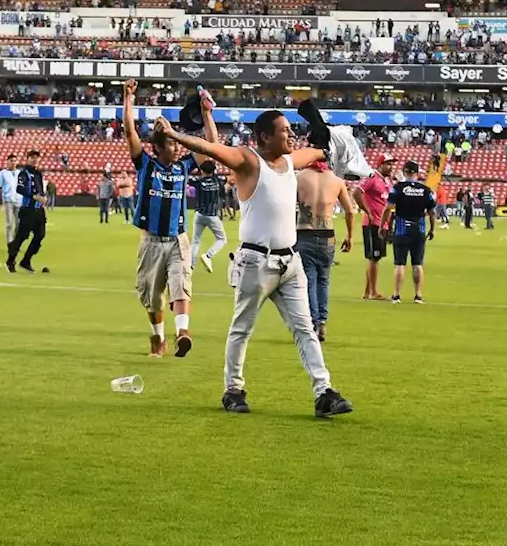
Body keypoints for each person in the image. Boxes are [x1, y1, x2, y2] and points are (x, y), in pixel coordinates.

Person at [153, 109, 352, 418]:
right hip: (255, 262)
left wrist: (326, 137)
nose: (289, 134)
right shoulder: (248, 161)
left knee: (305, 329)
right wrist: (174, 135)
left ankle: (324, 391)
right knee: (241, 329)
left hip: (290, 262)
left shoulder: (288, 161)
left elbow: (318, 149)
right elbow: (209, 148)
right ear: (264, 137)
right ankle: (233, 390)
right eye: (283, 130)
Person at [122, 80, 215, 358]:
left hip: (178, 240)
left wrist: (207, 113)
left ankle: (183, 333)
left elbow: (211, 147)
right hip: (151, 242)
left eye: (177, 145)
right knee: (151, 298)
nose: (176, 149)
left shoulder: (184, 165)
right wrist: (128, 97)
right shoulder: (146, 164)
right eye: (171, 145)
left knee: (181, 284)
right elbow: (129, 131)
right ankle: (158, 336)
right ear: (158, 148)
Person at [295, 160, 356, 342]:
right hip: (327, 234)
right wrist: (350, 236)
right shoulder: (336, 181)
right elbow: (350, 212)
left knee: (309, 281)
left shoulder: (299, 177)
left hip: (304, 232)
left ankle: (313, 322)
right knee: (324, 280)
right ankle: (322, 320)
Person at [380, 161, 435, 304]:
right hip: (419, 229)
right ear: (417, 173)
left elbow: (388, 208)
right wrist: (432, 229)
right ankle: (418, 295)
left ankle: (396, 295)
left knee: (400, 264)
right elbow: (432, 211)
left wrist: (382, 225)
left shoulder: (398, 188)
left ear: (404, 172)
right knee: (417, 264)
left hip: (402, 229)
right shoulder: (426, 190)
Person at [352, 154, 393, 300]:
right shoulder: (372, 178)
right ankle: (373, 292)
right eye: (388, 164)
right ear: (380, 165)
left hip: (381, 224)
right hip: (372, 223)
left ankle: (367, 292)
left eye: (391, 164)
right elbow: (356, 192)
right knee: (374, 257)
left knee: (375, 258)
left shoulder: (386, 182)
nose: (391, 167)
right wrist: (367, 212)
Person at [6, 149, 48, 274]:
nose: (35, 160)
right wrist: (34, 196)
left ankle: (26, 260)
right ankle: (11, 260)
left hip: (38, 209)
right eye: (32, 157)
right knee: (22, 236)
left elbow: (40, 189)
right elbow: (20, 189)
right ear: (27, 159)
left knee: (40, 235)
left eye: (37, 157)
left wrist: (43, 199)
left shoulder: (38, 174)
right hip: (27, 209)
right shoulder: (24, 173)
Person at [189, 161, 228, 273]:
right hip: (212, 216)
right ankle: (208, 255)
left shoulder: (199, 182)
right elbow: (225, 179)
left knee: (196, 241)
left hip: (200, 214)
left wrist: (195, 170)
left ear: (202, 170)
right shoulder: (218, 180)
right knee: (221, 239)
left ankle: (191, 266)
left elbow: (188, 178)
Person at [0, 153, 20, 244]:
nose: (13, 163)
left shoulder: (20, 173)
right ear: (7, 162)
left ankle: (16, 240)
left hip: (19, 200)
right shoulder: (2, 173)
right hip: (8, 200)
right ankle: (10, 242)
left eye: (14, 161)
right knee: (9, 223)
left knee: (19, 223)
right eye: (11, 161)